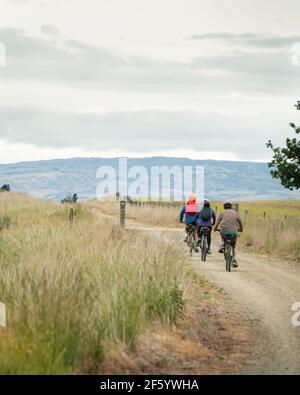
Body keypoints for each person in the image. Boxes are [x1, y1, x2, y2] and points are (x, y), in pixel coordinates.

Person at [214, 201, 243, 267]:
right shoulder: (236, 213)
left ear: (224, 207)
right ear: (231, 207)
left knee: (221, 233)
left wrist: (215, 229)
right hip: (234, 233)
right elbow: (240, 223)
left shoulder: (222, 213)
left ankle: (222, 245)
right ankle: (234, 259)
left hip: (224, 232)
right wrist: (240, 230)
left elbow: (217, 222)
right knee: (233, 247)